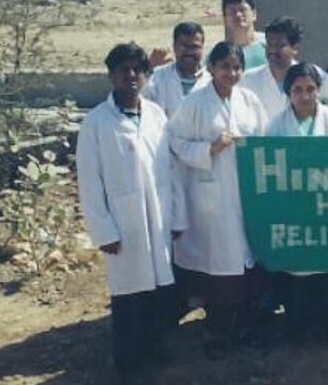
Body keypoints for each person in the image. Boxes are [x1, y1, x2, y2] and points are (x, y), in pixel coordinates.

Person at [76, 43, 185, 383]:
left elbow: (171, 169)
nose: (131, 75)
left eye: (137, 69)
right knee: (128, 297)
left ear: (146, 75)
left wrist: (177, 217)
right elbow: (89, 182)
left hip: (159, 217)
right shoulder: (96, 122)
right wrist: (103, 230)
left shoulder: (155, 114)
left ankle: (155, 346)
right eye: (123, 70)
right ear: (112, 76)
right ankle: (128, 360)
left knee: (160, 292)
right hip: (124, 225)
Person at [167, 41, 268, 360]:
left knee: (247, 268)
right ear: (212, 68)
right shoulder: (195, 103)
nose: (232, 73)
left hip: (245, 196)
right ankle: (216, 333)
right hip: (211, 201)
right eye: (225, 66)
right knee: (217, 271)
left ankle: (247, 329)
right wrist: (208, 149)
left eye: (237, 67)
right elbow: (173, 143)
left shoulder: (250, 101)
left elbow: (264, 142)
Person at [265, 62, 328, 341]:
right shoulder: (275, 126)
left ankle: (326, 324)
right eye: (297, 89)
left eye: (310, 89)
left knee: (326, 265)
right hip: (294, 207)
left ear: (319, 90)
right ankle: (297, 325)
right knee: (296, 267)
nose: (304, 95)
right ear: (287, 92)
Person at [240, 16, 328, 118]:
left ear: (295, 48)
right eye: (270, 45)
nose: (273, 50)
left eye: (280, 45)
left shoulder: (311, 73)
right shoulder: (248, 79)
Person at [143, 22, 211, 117]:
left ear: (202, 48)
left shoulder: (211, 81)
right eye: (184, 46)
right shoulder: (157, 78)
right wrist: (147, 69)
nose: (189, 52)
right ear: (174, 46)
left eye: (194, 47)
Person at [222, 0, 267, 70]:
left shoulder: (270, 45)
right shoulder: (220, 52)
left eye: (242, 10)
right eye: (232, 11)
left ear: (254, 14)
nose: (238, 15)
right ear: (225, 19)